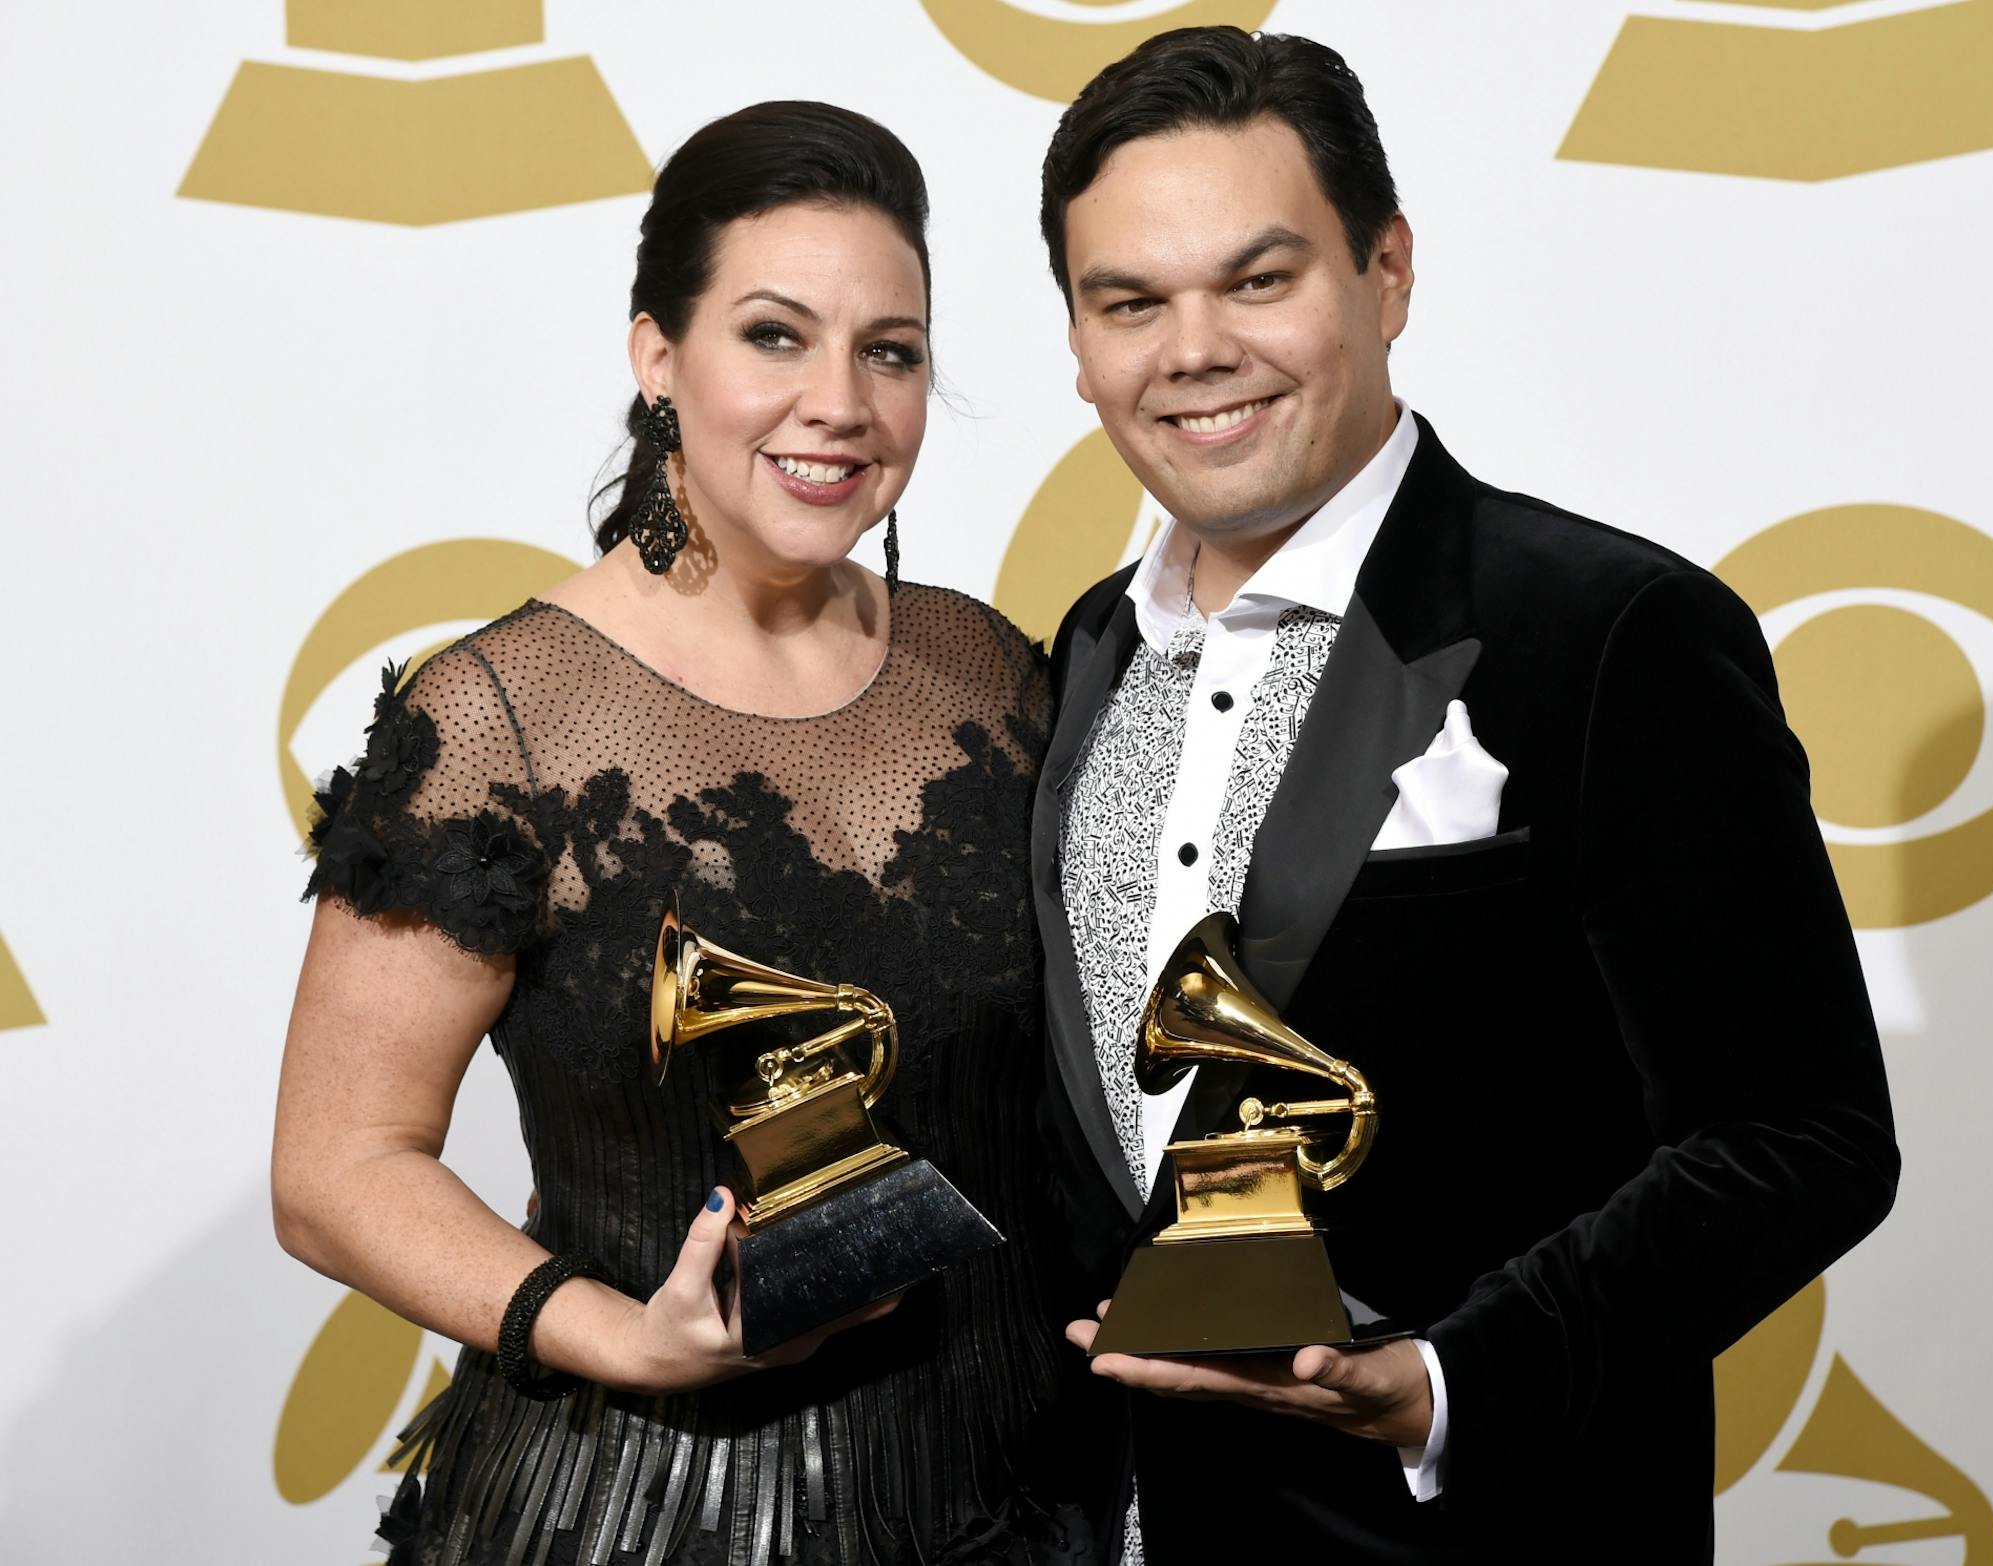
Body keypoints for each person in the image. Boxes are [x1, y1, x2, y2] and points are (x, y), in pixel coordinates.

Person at [1031, 29, 1900, 1564]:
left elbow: (1800, 1131)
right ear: (1082, 340)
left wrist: (1448, 1380)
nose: (1194, 349)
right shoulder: (1090, 649)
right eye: (1131, 302)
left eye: (1258, 278)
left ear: (1387, 275)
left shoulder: (1610, 629)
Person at [274, 101, 1098, 1566]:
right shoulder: (495, 721)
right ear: (657, 354)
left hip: (1016, 1499)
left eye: (889, 350)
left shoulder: (992, 669)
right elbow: (339, 1165)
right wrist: (619, 1336)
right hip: (640, 1511)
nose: (840, 399)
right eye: (774, 335)